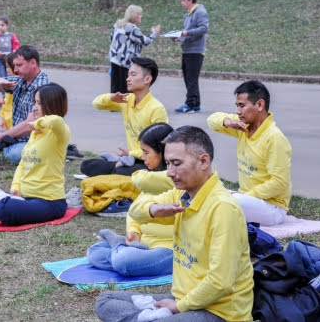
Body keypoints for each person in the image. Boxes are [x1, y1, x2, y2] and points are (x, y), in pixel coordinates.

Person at [95, 126, 254, 322]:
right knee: (107, 299)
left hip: (218, 313)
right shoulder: (182, 195)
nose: (169, 172)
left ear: (203, 161)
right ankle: (147, 318)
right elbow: (135, 209)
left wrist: (178, 307)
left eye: (176, 163)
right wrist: (153, 209)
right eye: (168, 163)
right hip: (183, 301)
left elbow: (220, 283)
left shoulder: (223, 209)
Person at [0, 83, 70, 226]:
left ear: (52, 104)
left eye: (39, 103)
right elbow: (23, 164)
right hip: (25, 198)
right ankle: (3, 203)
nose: (34, 107)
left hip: (50, 202)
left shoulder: (60, 132)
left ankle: (1, 207)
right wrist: (15, 188)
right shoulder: (36, 133)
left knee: (7, 209)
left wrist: (37, 124)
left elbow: (56, 120)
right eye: (35, 102)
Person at [87, 123, 175, 276]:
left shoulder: (177, 179)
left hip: (169, 249)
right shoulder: (151, 178)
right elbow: (134, 212)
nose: (143, 157)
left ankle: (119, 249)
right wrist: (133, 232)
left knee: (124, 261)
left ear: (162, 152)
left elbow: (138, 178)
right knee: (94, 252)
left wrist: (140, 175)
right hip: (141, 243)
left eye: (146, 153)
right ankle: (121, 249)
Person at [207, 80, 292, 226]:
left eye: (242, 106)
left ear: (260, 105)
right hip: (246, 200)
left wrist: (246, 196)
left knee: (226, 202)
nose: (238, 112)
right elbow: (211, 120)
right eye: (237, 106)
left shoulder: (274, 138)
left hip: (272, 208)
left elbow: (279, 183)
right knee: (205, 189)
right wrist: (227, 122)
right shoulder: (242, 125)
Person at [80, 57, 168, 177]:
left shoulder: (156, 108)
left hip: (149, 163)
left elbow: (161, 147)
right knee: (86, 165)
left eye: (133, 75)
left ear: (147, 79)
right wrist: (111, 98)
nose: (128, 79)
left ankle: (116, 165)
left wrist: (132, 153)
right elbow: (97, 104)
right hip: (131, 157)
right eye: (128, 75)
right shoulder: (126, 100)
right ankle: (118, 164)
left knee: (124, 171)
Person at [0, 45, 49, 163]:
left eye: (19, 65)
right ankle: (0, 149)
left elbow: (29, 125)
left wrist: (2, 136)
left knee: (15, 154)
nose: (15, 70)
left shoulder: (40, 86)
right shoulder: (21, 80)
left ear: (33, 63)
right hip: (14, 137)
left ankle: (0, 150)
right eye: (14, 65)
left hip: (33, 141)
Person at [108, 5, 160, 94]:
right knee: (127, 89)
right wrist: (154, 33)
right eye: (140, 14)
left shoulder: (117, 25)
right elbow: (145, 41)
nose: (141, 16)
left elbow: (111, 38)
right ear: (135, 16)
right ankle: (126, 107)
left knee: (115, 87)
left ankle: (114, 106)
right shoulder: (132, 29)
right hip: (126, 63)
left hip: (115, 61)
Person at [174, 0, 209, 114]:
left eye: (183, 0)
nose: (181, 3)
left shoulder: (200, 12)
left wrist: (186, 33)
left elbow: (204, 28)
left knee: (191, 78)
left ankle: (189, 104)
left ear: (190, 0)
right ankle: (196, 103)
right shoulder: (187, 15)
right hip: (187, 50)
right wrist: (179, 37)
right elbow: (187, 32)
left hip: (195, 51)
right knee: (189, 78)